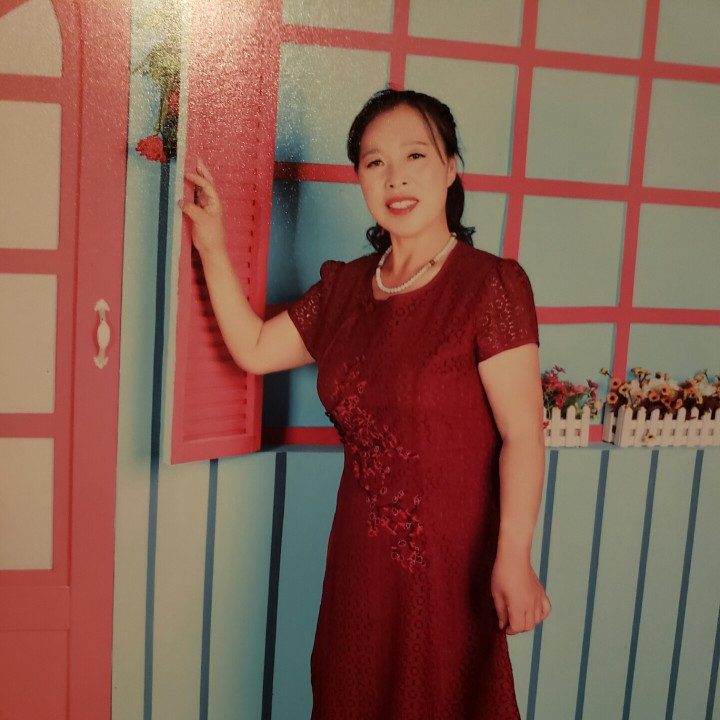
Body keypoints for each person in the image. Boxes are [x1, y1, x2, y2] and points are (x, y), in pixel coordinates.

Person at [179, 88, 551, 719]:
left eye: (415, 156)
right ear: (359, 177)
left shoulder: (491, 285)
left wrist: (514, 556)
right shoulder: (346, 288)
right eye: (375, 162)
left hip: (450, 565)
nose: (395, 177)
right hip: (358, 561)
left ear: (451, 167)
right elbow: (255, 348)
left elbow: (523, 433)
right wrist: (212, 244)